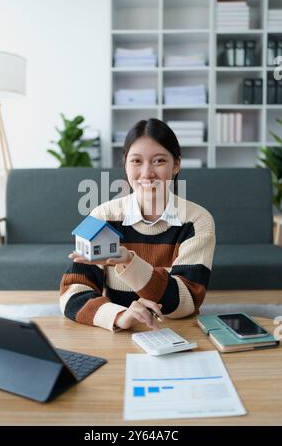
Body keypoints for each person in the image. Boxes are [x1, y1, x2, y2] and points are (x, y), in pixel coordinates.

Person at [60, 118, 216, 332]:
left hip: (178, 330)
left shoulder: (196, 220)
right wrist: (120, 315)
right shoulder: (103, 216)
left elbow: (186, 302)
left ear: (176, 165)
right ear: (124, 163)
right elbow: (72, 293)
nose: (146, 173)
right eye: (136, 161)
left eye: (159, 161)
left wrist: (129, 262)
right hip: (121, 332)